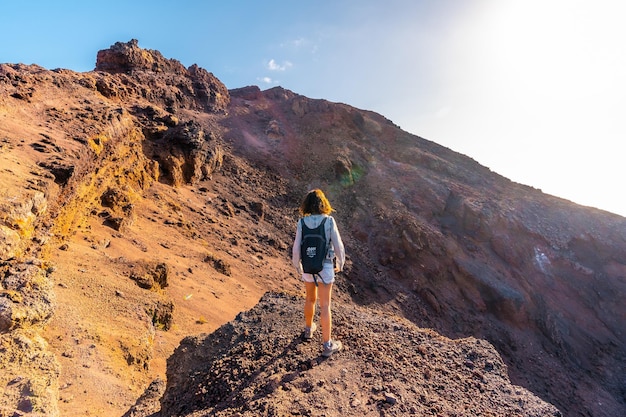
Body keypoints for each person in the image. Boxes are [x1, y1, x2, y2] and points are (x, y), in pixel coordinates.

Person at [292, 189, 346, 357]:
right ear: (323, 204)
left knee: (309, 298)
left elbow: (296, 247)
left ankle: (308, 330)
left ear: (306, 204)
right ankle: (327, 345)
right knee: (325, 305)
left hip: (308, 266)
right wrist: (341, 262)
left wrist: (297, 265)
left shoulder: (302, 222)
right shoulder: (329, 221)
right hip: (326, 267)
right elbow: (338, 245)